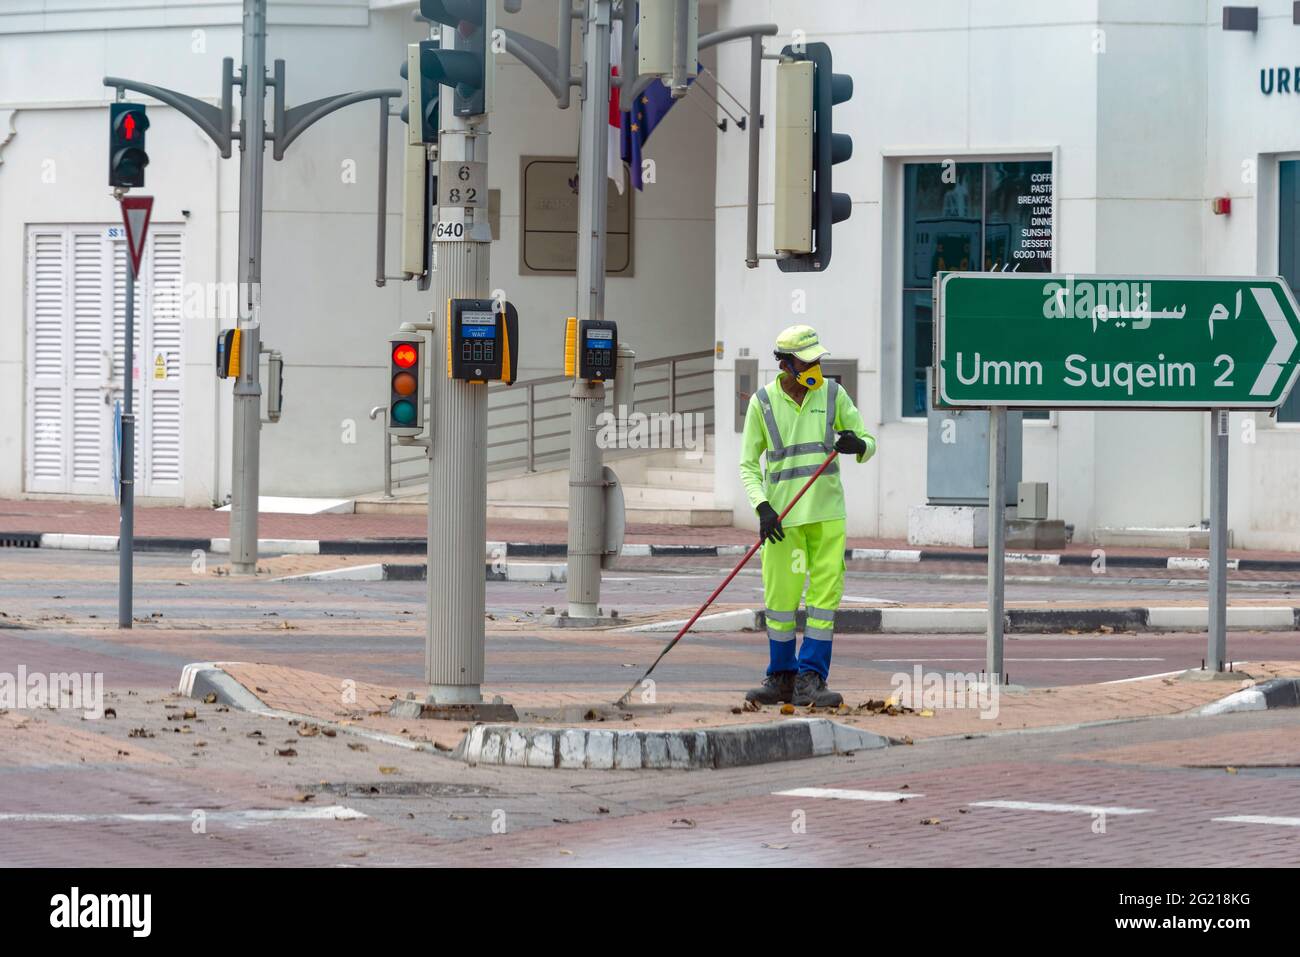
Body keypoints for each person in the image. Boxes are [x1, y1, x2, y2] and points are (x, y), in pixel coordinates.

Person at [737, 325, 876, 707]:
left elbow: (868, 440)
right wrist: (762, 507)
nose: (815, 364)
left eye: (817, 358)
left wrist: (857, 444)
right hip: (782, 521)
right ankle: (781, 677)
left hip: (827, 515)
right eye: (806, 360)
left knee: (823, 599)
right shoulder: (762, 403)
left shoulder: (832, 394)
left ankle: (811, 678)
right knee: (780, 601)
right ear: (785, 363)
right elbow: (748, 465)